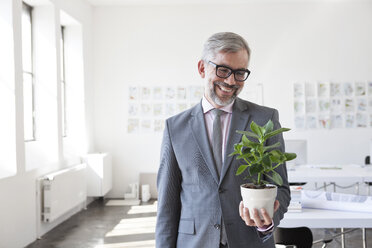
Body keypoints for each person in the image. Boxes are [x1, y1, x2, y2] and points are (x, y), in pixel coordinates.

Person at [156, 32, 290, 248]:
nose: (231, 81)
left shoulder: (265, 119)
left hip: (249, 241)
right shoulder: (175, 128)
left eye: (239, 73)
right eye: (223, 70)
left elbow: (280, 187)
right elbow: (167, 206)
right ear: (202, 68)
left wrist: (266, 222)